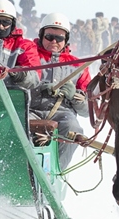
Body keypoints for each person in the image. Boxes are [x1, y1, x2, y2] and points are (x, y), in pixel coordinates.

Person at [29, 13, 92, 168]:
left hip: (63, 114)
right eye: (49, 37)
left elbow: (87, 110)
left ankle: (56, 170)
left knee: (74, 129)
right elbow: (18, 86)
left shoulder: (78, 66)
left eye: (59, 38)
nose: (54, 42)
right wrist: (40, 89)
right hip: (31, 109)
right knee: (16, 124)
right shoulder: (30, 57)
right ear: (41, 35)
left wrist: (74, 96)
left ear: (66, 40)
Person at [0, 0, 41, 89]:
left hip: (13, 96)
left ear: (12, 24)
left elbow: (35, 78)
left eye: (5, 22)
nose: (1, 26)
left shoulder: (24, 46)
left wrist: (20, 74)